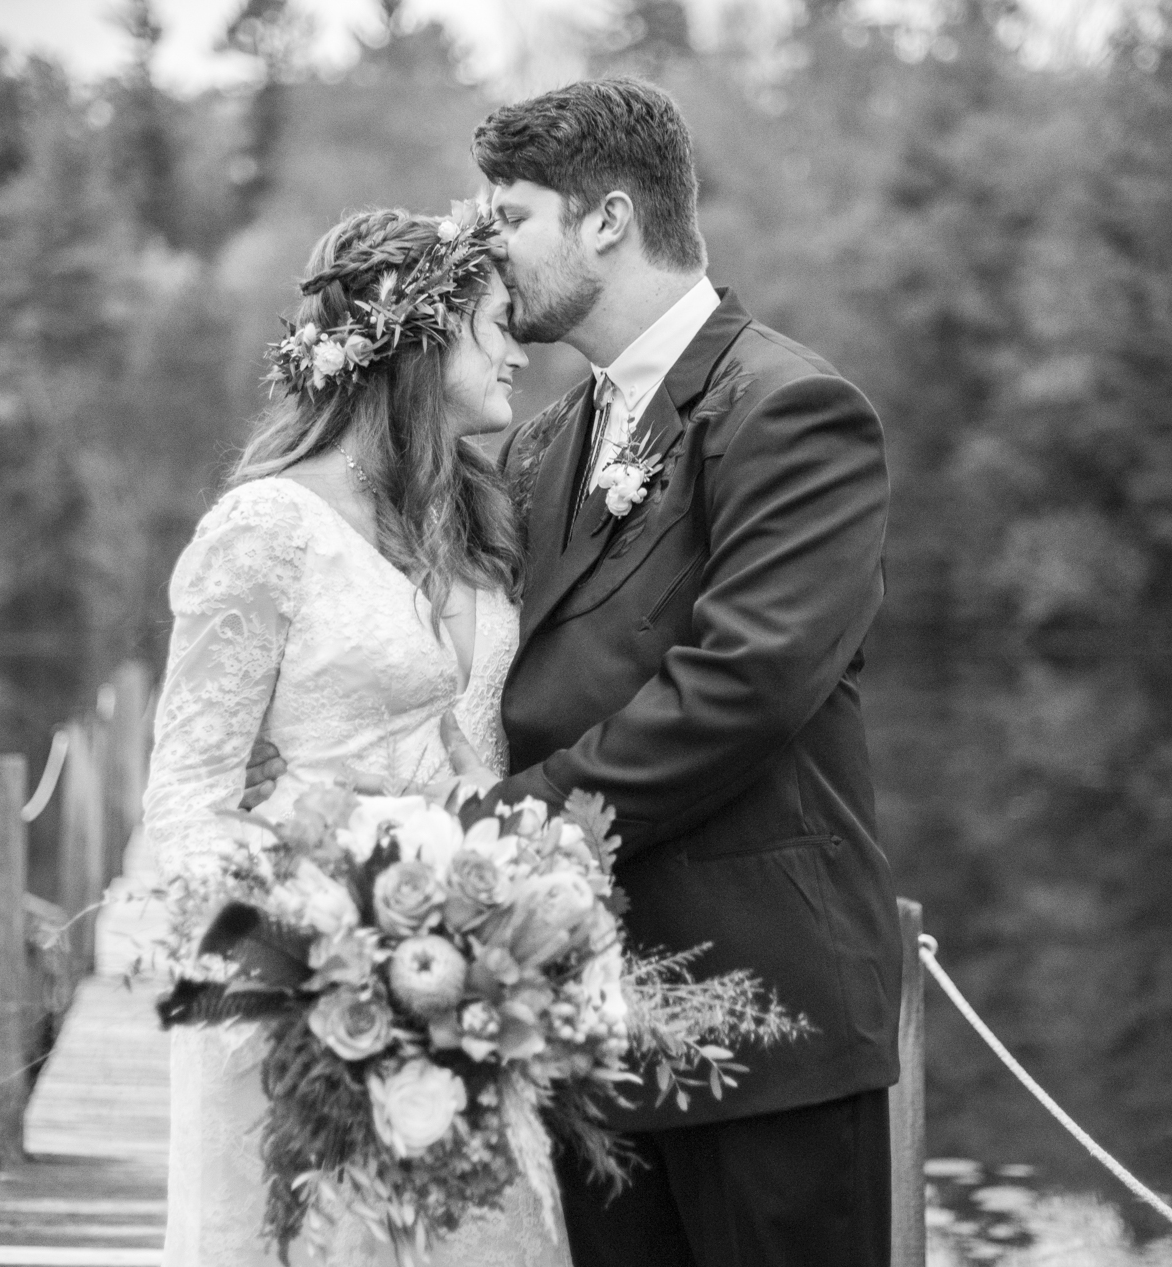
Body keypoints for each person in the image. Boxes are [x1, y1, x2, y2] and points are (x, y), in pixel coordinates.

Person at [467, 77, 903, 1267]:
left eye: (509, 217)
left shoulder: (791, 410)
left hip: (767, 1018)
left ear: (606, 220)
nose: (488, 252)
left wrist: (504, 826)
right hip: (583, 1017)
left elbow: (744, 682)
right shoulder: (548, 439)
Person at [142, 206, 568, 1266]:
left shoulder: (469, 512)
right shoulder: (264, 531)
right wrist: (322, 963)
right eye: (496, 324)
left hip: (465, 992)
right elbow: (186, 804)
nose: (518, 349)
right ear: (420, 340)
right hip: (312, 1016)